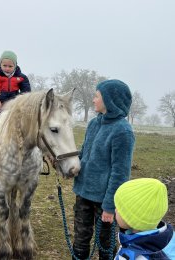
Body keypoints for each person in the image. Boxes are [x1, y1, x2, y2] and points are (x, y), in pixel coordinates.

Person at [72, 79, 135, 260]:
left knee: (105, 245)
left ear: (110, 100)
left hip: (104, 202)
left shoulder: (123, 131)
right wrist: (68, 163)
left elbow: (120, 173)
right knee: (80, 241)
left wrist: (109, 207)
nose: (93, 100)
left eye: (97, 96)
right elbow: (84, 154)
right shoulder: (93, 124)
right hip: (83, 194)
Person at [114, 178, 175, 259]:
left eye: (119, 209)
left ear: (132, 220)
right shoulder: (169, 236)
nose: (115, 210)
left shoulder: (132, 256)